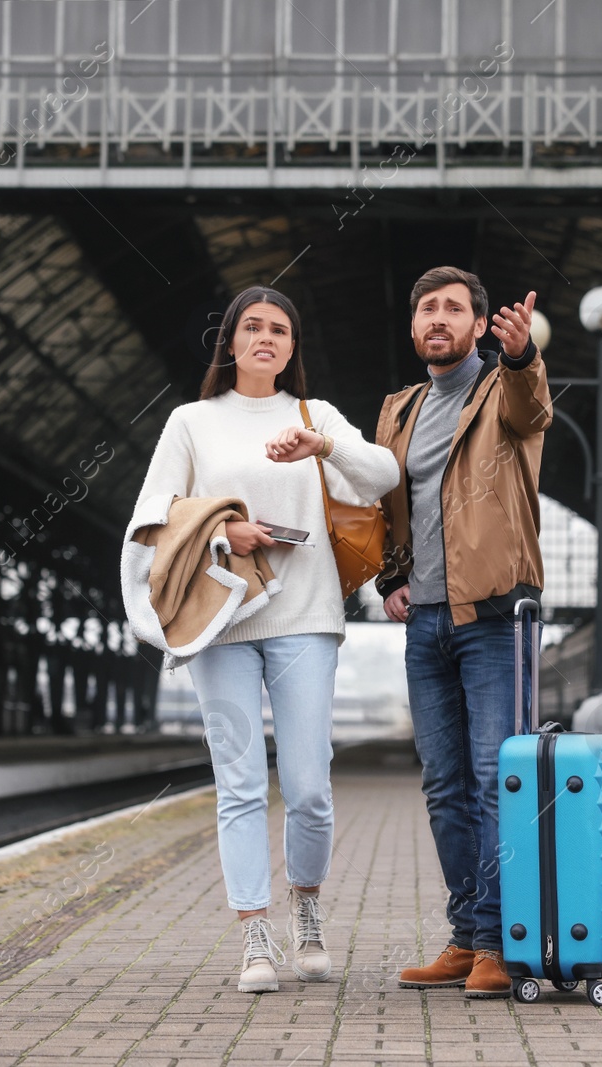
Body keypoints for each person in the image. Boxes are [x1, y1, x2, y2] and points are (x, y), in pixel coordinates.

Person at [126, 285, 399, 993]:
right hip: (221, 621)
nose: (266, 338)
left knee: (308, 784)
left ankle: (306, 907)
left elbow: (385, 473)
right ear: (231, 342)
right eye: (253, 326)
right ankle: (254, 931)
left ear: (292, 347)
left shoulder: (315, 415)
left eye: (280, 329)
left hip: (306, 616)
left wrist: (324, 445)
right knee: (240, 783)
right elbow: (155, 513)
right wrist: (222, 528)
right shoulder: (192, 422)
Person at [376, 267, 551, 999]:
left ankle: (497, 942)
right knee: (444, 785)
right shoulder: (399, 408)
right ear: (415, 328)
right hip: (426, 624)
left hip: (495, 617)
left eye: (454, 308)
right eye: (428, 309)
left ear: (479, 325)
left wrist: (521, 358)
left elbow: (531, 406)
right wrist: (391, 577)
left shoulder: (503, 392)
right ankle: (462, 935)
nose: (439, 318)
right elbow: (386, 503)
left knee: (493, 782)